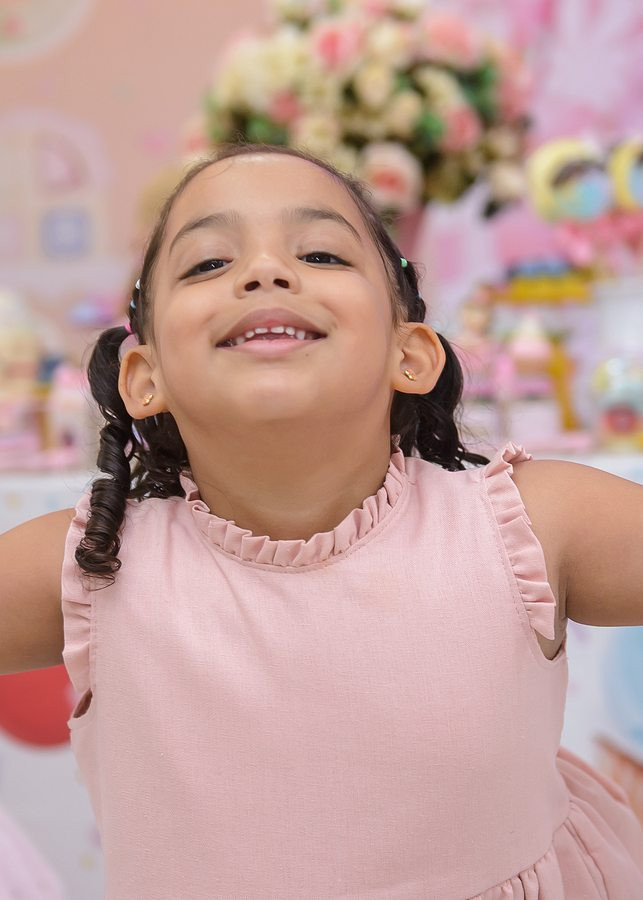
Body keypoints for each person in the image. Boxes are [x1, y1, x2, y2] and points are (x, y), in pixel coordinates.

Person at [1, 144, 642, 899]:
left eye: (320, 253)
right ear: (145, 378)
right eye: (208, 263)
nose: (265, 272)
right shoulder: (92, 565)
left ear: (411, 354)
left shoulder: (528, 526)